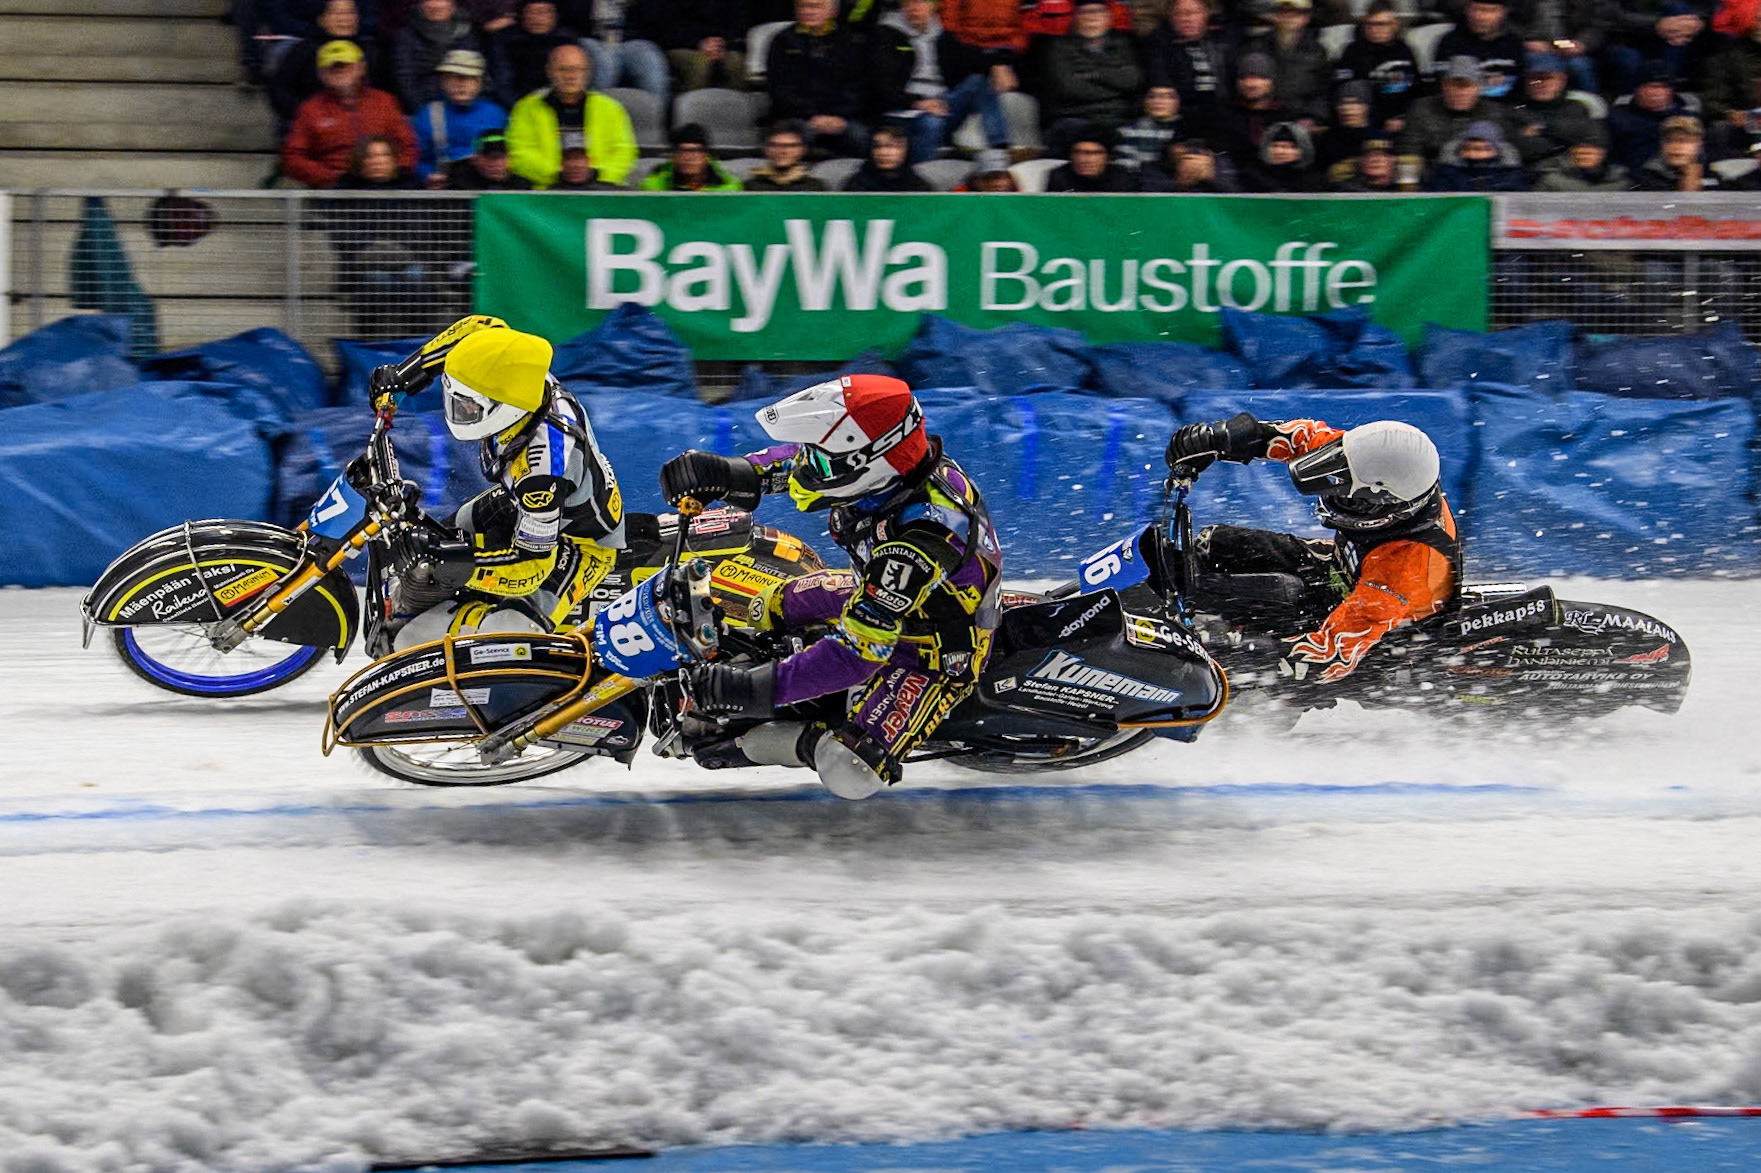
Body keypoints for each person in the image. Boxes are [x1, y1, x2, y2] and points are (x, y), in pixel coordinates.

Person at [656, 375, 1003, 801]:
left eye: (820, 461)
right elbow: (801, 461)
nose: (806, 467)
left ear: (870, 461)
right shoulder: (891, 470)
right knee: (761, 603)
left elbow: (857, 655)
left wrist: (754, 691)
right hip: (873, 591)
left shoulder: (923, 539)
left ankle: (808, 735)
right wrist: (725, 472)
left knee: (847, 769)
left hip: (928, 651)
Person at [367, 317, 626, 649]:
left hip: (579, 542)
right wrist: (406, 374)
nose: (457, 410)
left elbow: (531, 568)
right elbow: (478, 330)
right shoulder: (522, 377)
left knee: (510, 626)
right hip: (530, 505)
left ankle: (475, 643)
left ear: (505, 409)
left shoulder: (541, 473)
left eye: (468, 406)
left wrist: (464, 568)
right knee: (447, 533)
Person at [1165, 413, 1459, 685]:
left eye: (1350, 498)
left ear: (1386, 509)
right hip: (1343, 568)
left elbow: (1329, 654)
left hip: (1372, 638)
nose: (1335, 495)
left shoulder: (1407, 568)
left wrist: (1237, 653)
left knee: (1277, 595)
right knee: (1214, 544)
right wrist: (1220, 438)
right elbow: (1303, 437)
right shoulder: (1370, 462)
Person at [871, 0, 1010, 163]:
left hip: (940, 104)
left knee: (978, 82)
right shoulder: (886, 35)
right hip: (903, 111)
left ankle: (999, 150)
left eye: (920, 3)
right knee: (931, 122)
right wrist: (919, 103)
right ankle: (924, 175)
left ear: (933, 6)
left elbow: (973, 57)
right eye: (908, 3)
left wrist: (998, 63)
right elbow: (883, 86)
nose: (913, 8)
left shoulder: (941, 35)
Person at [282, 40, 417, 188]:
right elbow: (293, 158)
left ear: (361, 67)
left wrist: (394, 171)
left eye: (346, 65)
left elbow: (408, 146)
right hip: (336, 188)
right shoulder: (310, 109)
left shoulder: (385, 101)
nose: (339, 71)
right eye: (331, 67)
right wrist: (330, 178)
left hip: (387, 185)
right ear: (321, 74)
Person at [505, 43, 637, 187]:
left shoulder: (610, 108)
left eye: (578, 69)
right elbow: (518, 153)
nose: (571, 76)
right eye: (563, 69)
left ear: (587, 72)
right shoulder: (526, 108)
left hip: (601, 190)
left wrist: (595, 173)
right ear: (549, 71)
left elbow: (624, 151)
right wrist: (559, 173)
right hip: (547, 192)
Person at [1041, 0, 1142, 154]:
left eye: (1098, 12)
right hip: (1077, 117)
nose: (1091, 17)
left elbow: (1132, 80)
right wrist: (1115, 82)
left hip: (1118, 118)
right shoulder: (1059, 47)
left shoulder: (1123, 44)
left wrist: (1094, 74)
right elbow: (1070, 88)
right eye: (1085, 12)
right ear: (1075, 18)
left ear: (1109, 18)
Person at [270, 0, 386, 125]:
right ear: (321, 19)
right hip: (314, 124)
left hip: (364, 124)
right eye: (336, 13)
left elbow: (384, 93)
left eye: (350, 12)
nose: (344, 18)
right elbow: (280, 91)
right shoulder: (305, 50)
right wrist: (310, 113)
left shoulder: (370, 51)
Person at [1398, 55, 1511, 170]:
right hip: (1434, 179)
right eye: (1455, 85)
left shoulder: (1494, 112)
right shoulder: (1421, 109)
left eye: (1468, 86)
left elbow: (1507, 156)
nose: (1461, 93)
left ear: (1479, 88)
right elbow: (1409, 154)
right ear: (1444, 86)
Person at [414, 49, 509, 183]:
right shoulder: (428, 114)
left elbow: (508, 155)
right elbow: (418, 159)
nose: (461, 84)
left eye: (469, 78)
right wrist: (428, 176)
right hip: (445, 189)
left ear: (479, 83)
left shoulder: (495, 113)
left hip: (487, 187)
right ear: (443, 82)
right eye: (453, 77)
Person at [1144, 0, 1229, 140]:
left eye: (1193, 13)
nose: (1186, 19)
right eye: (1179, 14)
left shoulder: (1222, 42)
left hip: (1223, 115)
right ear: (1170, 17)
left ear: (1206, 14)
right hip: (1183, 121)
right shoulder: (1159, 47)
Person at [1332, 1, 1418, 131]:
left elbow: (1416, 89)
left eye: (1382, 24)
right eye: (1370, 24)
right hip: (1366, 123)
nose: (1375, 29)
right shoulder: (1352, 52)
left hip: (1403, 122)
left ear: (1394, 25)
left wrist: (1403, 117)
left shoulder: (1404, 51)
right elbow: (1344, 92)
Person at [1509, 51, 1597, 172]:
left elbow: (1583, 138)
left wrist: (1542, 129)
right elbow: (1522, 149)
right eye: (1533, 78)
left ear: (1562, 80)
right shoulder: (1516, 109)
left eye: (1547, 78)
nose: (1539, 84)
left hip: (1570, 175)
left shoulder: (1576, 108)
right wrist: (1559, 139)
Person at [1242, 0, 1329, 123]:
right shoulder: (1257, 45)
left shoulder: (1317, 51)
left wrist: (1312, 117)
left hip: (1299, 118)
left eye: (1296, 13)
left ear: (1306, 17)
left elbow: (1322, 91)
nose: (1289, 17)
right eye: (1284, 11)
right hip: (1262, 116)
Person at [577, 0, 671, 110]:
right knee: (605, 63)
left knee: (651, 62)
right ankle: (591, 117)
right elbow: (570, 14)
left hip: (630, 40)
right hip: (589, 37)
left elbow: (655, 19)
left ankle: (654, 122)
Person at [1608, 64, 1701, 172]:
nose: (1657, 93)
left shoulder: (1688, 118)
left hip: (1680, 176)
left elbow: (1700, 154)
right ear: (1637, 89)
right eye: (1651, 86)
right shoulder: (1617, 119)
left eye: (1663, 87)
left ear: (1671, 90)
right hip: (1633, 180)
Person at [394, 0, 483, 110]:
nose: (436, 5)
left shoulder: (467, 32)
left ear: (452, 5)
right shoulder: (406, 36)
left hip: (466, 102)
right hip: (424, 102)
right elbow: (405, 78)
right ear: (421, 5)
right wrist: (422, 110)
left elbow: (476, 71)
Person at [488, 0, 578, 107]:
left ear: (555, 16)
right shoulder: (505, 39)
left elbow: (571, 79)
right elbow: (503, 82)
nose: (538, 18)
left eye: (544, 12)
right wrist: (522, 107)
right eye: (531, 12)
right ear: (522, 16)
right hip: (516, 102)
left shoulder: (566, 40)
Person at [1433, 0, 1524, 100]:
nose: (1481, 17)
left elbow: (1520, 86)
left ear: (1503, 13)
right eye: (1476, 9)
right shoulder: (1450, 42)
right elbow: (1443, 88)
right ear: (1467, 10)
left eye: (1490, 11)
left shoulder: (1513, 44)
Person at [654, 0, 749, 92]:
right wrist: (698, 42)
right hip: (681, 44)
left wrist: (721, 44)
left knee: (737, 62)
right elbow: (665, 26)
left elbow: (738, 24)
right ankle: (690, 106)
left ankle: (731, 107)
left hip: (722, 44)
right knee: (701, 64)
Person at [1427, 118, 1530, 188]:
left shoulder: (1511, 175)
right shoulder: (1447, 174)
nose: (1473, 154)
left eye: (1483, 149)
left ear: (1496, 151)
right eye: (1468, 148)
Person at [642, 123, 744, 190]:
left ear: (705, 156)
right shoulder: (656, 188)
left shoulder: (728, 189)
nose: (689, 157)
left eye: (695, 151)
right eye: (683, 151)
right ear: (675, 156)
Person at [1533, 121, 1631, 188]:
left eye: (1588, 153)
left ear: (1602, 154)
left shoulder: (1622, 182)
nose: (1583, 156)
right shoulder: (1551, 180)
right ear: (1571, 153)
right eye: (1578, 153)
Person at [1044, 122, 1140, 189]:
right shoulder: (1059, 177)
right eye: (1077, 152)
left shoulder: (1123, 180)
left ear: (1107, 157)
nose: (1083, 159)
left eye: (1092, 153)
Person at [842, 121, 935, 189]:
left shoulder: (920, 188)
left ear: (906, 150)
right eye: (877, 146)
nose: (883, 152)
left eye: (892, 146)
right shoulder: (854, 185)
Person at [743, 119, 831, 189]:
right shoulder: (750, 187)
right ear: (766, 149)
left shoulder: (815, 187)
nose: (782, 151)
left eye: (791, 146)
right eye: (775, 145)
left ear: (803, 150)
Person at [1117, 85, 1185, 170]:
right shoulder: (1127, 132)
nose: (1158, 101)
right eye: (1152, 96)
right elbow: (1125, 166)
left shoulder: (1191, 130)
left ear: (1179, 101)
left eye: (1168, 97)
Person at [445, 127, 536, 187]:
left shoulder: (523, 187)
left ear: (510, 158)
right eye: (489, 157)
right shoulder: (460, 185)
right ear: (475, 159)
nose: (496, 164)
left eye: (501, 157)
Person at [1329, 132, 1399, 189]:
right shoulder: (1345, 189)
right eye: (1369, 155)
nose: (1375, 160)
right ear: (1360, 161)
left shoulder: (1402, 189)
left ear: (1392, 160)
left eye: (1382, 155)